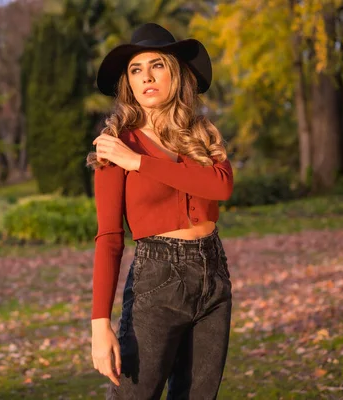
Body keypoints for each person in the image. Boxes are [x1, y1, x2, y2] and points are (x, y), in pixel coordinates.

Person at [85, 23, 234, 399]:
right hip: (157, 279)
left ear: (175, 73)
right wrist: (99, 325)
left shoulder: (201, 134)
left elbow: (220, 187)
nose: (147, 77)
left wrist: (140, 163)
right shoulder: (115, 145)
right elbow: (109, 237)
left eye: (157, 66)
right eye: (136, 70)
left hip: (213, 276)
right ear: (128, 83)